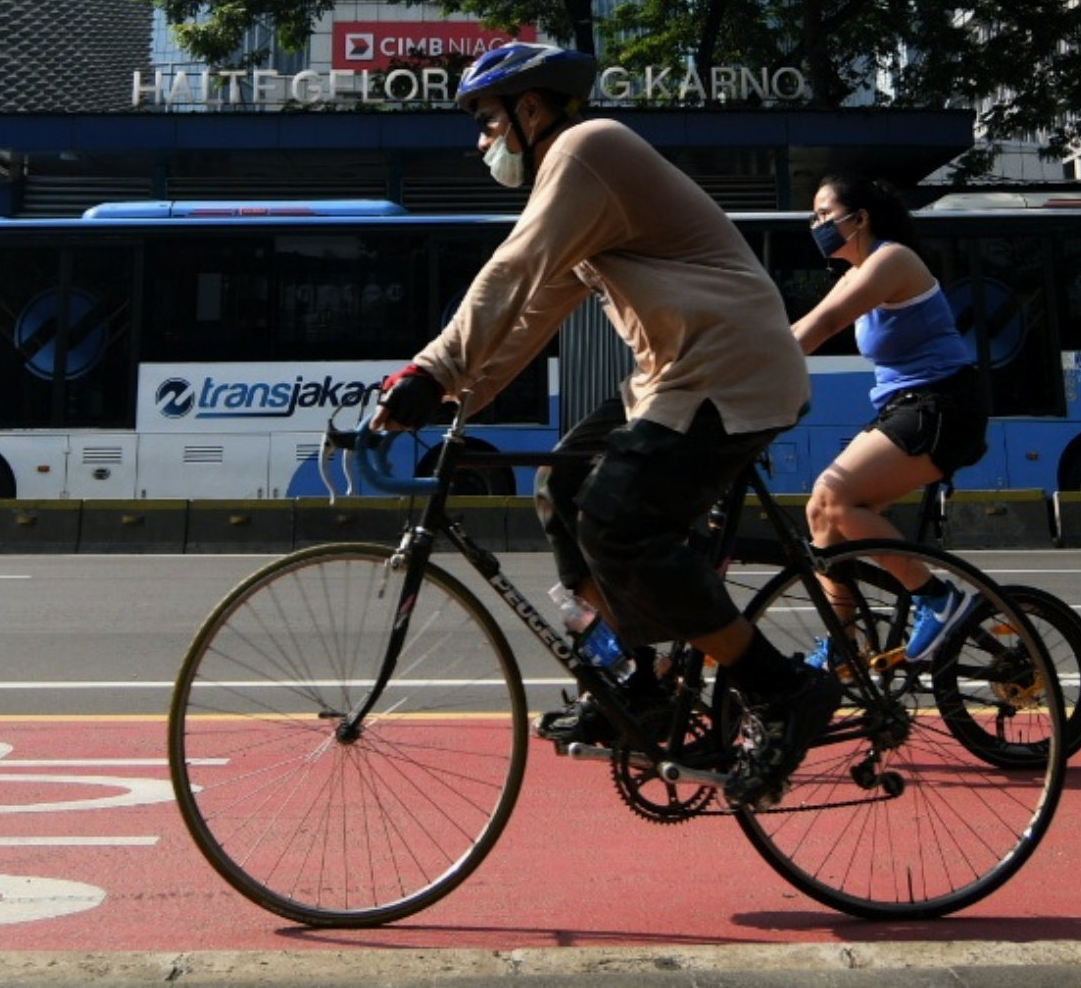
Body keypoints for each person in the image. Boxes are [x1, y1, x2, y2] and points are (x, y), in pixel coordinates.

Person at [372, 41, 833, 804]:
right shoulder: (576, 182)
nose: (480, 140)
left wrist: (432, 370)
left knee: (618, 522)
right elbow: (533, 313)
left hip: (726, 368)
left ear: (530, 109)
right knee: (562, 488)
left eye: (487, 121)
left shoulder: (587, 150)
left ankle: (782, 690)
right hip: (675, 373)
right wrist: (461, 397)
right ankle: (642, 679)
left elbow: (511, 270)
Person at [788, 174, 992, 661]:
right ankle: (844, 645)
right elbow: (796, 327)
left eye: (823, 214)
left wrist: (738, 371)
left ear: (859, 219)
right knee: (820, 513)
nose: (816, 225)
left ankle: (937, 597)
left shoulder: (893, 260)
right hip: (908, 407)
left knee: (838, 496)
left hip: (943, 404)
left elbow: (821, 326)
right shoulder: (853, 275)